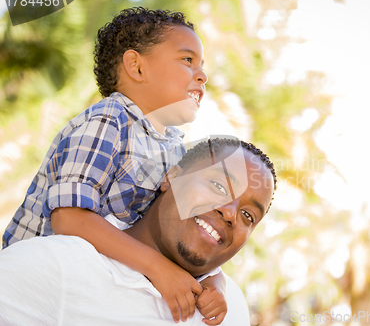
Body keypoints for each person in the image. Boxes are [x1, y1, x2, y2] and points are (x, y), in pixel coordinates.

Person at [1, 7, 227, 323]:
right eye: (187, 60)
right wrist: (157, 267)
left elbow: (180, 227)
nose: (202, 75)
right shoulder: (108, 121)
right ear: (136, 66)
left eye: (202, 65)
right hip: (36, 289)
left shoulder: (175, 147)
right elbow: (70, 218)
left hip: (93, 286)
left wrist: (215, 281)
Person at [0, 138, 277, 326]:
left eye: (248, 215)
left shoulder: (232, 308)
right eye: (218, 186)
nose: (230, 213)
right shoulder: (54, 268)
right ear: (172, 177)